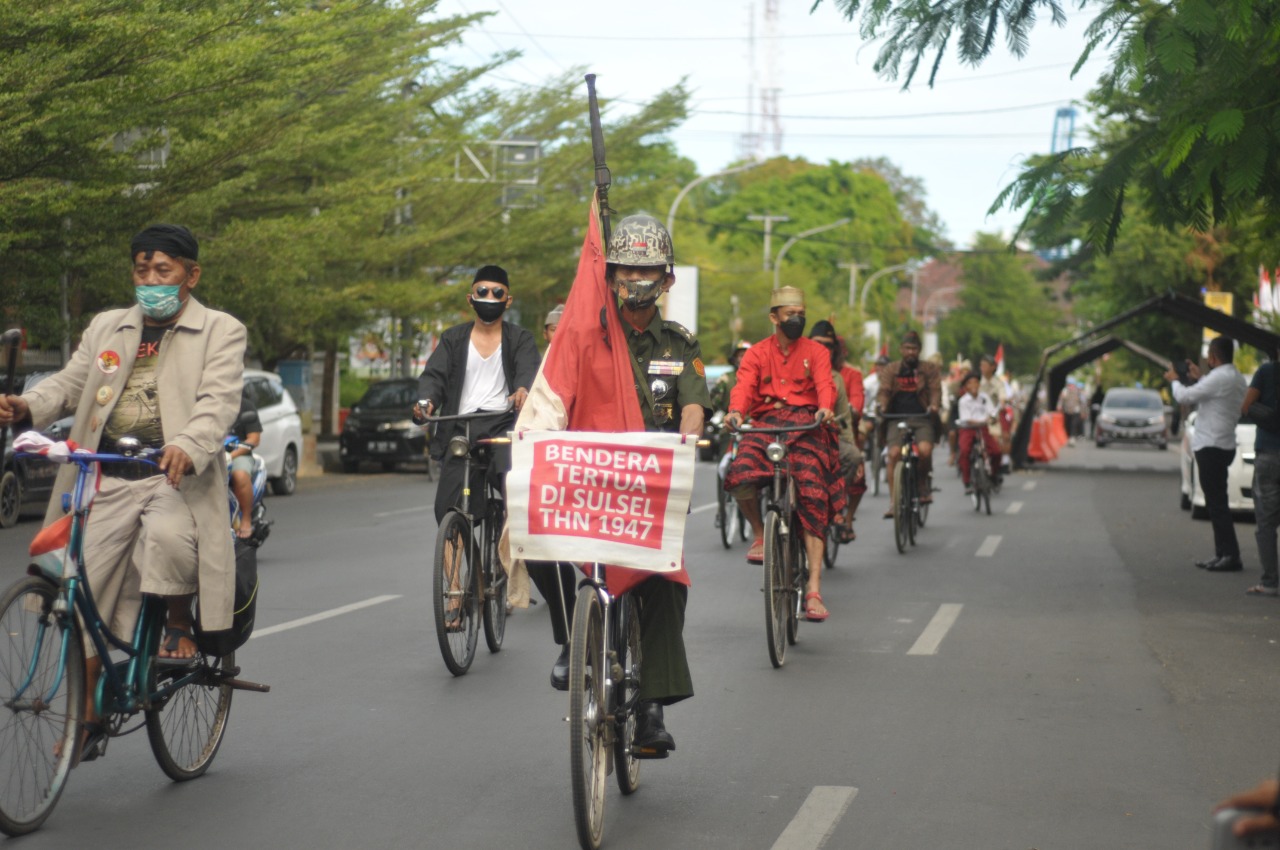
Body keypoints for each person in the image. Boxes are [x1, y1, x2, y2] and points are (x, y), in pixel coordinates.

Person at [0, 223, 246, 757]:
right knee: (81, 587)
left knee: (169, 537)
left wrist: (187, 442)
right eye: (141, 269)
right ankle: (87, 714)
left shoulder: (222, 330)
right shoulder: (108, 326)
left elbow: (219, 401)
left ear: (190, 275)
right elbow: (70, 384)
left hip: (173, 475)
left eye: (163, 270)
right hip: (104, 474)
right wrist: (28, 407)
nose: (150, 279)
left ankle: (178, 624)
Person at [524, 214, 709, 756]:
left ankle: (650, 708)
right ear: (610, 275)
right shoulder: (586, 338)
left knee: (666, 584)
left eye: (647, 269)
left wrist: (685, 440)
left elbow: (694, 406)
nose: (635, 278)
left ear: (666, 279)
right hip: (590, 478)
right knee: (540, 541)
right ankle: (569, 638)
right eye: (625, 267)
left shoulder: (679, 342)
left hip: (653, 485)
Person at [723, 286, 843, 622]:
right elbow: (744, 386)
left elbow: (825, 385)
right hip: (765, 423)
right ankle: (760, 534)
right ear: (774, 317)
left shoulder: (817, 352)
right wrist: (735, 413)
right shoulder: (757, 353)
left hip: (806, 426)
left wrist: (824, 409)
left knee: (814, 494)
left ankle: (815, 589)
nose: (797, 319)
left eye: (800, 313)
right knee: (739, 474)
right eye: (790, 314)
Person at [416, 265, 541, 526]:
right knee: (446, 510)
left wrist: (522, 390)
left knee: (513, 491)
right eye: (482, 292)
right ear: (470, 298)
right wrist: (425, 402)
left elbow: (528, 369)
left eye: (497, 293)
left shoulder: (521, 339)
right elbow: (434, 376)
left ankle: (510, 548)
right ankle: (452, 561)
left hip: (502, 424)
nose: (490, 298)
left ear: (508, 301)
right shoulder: (452, 339)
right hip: (462, 426)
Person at [1165, 336, 1246, 571]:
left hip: (1211, 445)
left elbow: (1185, 396)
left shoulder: (1220, 378)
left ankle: (1230, 555)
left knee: (1217, 504)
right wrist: (1200, 377)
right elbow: (1212, 392)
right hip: (1224, 444)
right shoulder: (1235, 377)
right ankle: (1222, 553)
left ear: (1213, 356)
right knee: (1216, 502)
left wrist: (1175, 380)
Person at [877, 331, 942, 518]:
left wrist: (934, 405)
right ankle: (893, 501)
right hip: (896, 418)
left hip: (922, 417)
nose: (911, 352)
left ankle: (922, 484)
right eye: (907, 348)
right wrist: (881, 405)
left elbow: (935, 390)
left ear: (919, 350)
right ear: (901, 349)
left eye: (914, 348)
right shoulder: (891, 369)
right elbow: (884, 391)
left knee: (924, 450)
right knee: (894, 454)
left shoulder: (929, 369)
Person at [810, 322, 863, 543]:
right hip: (793, 433)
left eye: (828, 346)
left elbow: (849, 415)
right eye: (818, 344)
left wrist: (852, 445)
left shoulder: (842, 376)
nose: (823, 349)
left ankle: (840, 511)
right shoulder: (795, 366)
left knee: (854, 459)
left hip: (832, 436)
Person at [1242, 356, 1280, 595]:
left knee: (1266, 522)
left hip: (1268, 453)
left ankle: (1269, 582)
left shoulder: (1267, 371)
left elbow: (1246, 407)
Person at [955, 372, 1003, 494]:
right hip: (968, 429)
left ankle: (994, 474)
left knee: (996, 452)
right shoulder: (963, 401)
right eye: (970, 383)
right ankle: (967, 481)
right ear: (965, 387)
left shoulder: (984, 398)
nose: (974, 385)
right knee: (965, 451)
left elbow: (992, 412)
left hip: (983, 429)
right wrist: (983, 420)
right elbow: (967, 419)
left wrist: (992, 418)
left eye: (976, 382)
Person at [228, 388, 262, 539]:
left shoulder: (245, 406)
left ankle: (246, 519)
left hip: (237, 455)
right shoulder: (203, 405)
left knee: (240, 475)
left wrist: (231, 455)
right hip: (210, 455)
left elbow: (254, 439)